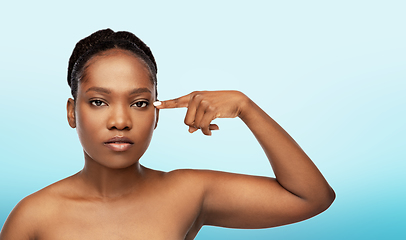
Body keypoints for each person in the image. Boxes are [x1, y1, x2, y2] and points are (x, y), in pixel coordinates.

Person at [0, 29, 335, 240]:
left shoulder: (187, 192)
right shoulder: (33, 215)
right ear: (73, 112)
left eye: (140, 102)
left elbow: (312, 197)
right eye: (99, 101)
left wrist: (246, 108)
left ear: (156, 115)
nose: (120, 120)